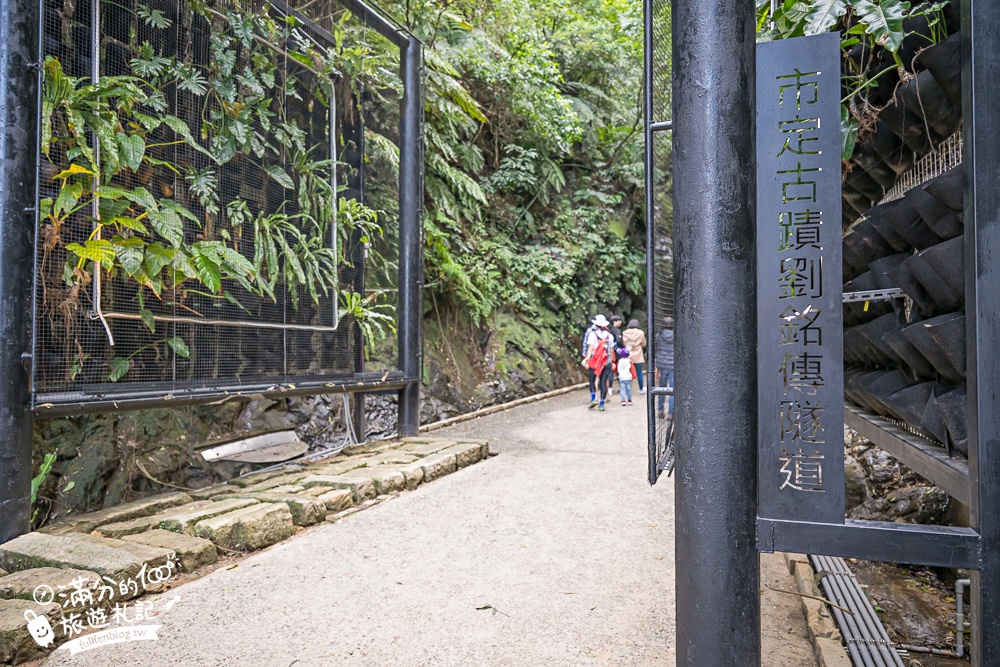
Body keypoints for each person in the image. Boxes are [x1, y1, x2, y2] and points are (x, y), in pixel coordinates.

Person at [585, 314, 616, 411]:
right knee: (603, 381)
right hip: (606, 361)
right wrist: (612, 361)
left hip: (595, 360)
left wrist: (587, 359)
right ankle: (602, 404)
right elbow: (611, 350)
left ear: (596, 325)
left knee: (592, 379)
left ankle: (594, 398)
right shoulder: (609, 336)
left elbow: (590, 348)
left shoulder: (592, 335)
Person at [654, 316, 675, 419]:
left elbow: (657, 350)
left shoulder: (659, 335)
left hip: (662, 365)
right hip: (673, 365)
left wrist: (656, 366)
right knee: (672, 390)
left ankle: (660, 411)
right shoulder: (676, 335)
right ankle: (671, 414)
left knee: (661, 388)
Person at [622, 319, 647, 394]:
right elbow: (644, 344)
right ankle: (641, 389)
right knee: (639, 373)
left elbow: (624, 344)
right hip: (638, 355)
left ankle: (627, 390)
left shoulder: (625, 333)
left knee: (628, 373)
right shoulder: (641, 333)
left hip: (628, 355)